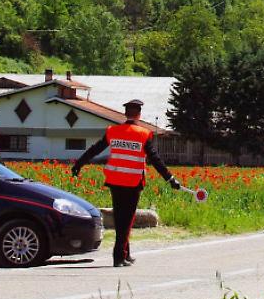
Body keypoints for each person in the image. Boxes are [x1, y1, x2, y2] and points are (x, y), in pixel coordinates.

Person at [70, 99, 181, 268]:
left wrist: (79, 163)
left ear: (125, 113)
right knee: (126, 220)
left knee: (120, 218)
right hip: (132, 182)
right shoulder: (143, 134)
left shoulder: (113, 131)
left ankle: (126, 253)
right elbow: (155, 159)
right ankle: (118, 256)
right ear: (139, 115)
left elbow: (95, 149)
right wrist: (170, 178)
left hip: (115, 181)